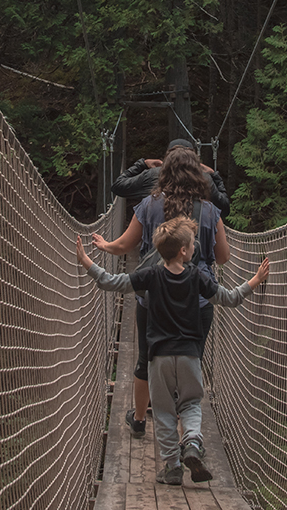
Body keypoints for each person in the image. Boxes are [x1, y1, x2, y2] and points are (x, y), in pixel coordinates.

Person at [77, 217, 270, 485]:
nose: (194, 248)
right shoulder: (197, 276)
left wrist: (88, 263)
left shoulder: (150, 275)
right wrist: (255, 280)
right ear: (183, 250)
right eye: (192, 244)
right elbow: (229, 298)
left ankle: (172, 467)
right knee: (190, 403)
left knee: (165, 411)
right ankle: (191, 441)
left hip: (159, 358)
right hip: (190, 354)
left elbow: (113, 282)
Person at [92, 147, 229, 439]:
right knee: (191, 362)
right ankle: (188, 432)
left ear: (162, 173)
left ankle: (140, 419)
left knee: (147, 358)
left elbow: (123, 246)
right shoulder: (210, 210)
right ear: (198, 174)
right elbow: (224, 256)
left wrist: (105, 246)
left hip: (154, 298)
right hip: (198, 299)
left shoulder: (149, 205)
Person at [112, 139, 231, 217]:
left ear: (168, 157)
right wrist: (214, 175)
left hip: (156, 249)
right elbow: (224, 209)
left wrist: (142, 164)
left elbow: (118, 186)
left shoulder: (153, 175)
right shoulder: (204, 179)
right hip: (194, 249)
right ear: (193, 159)